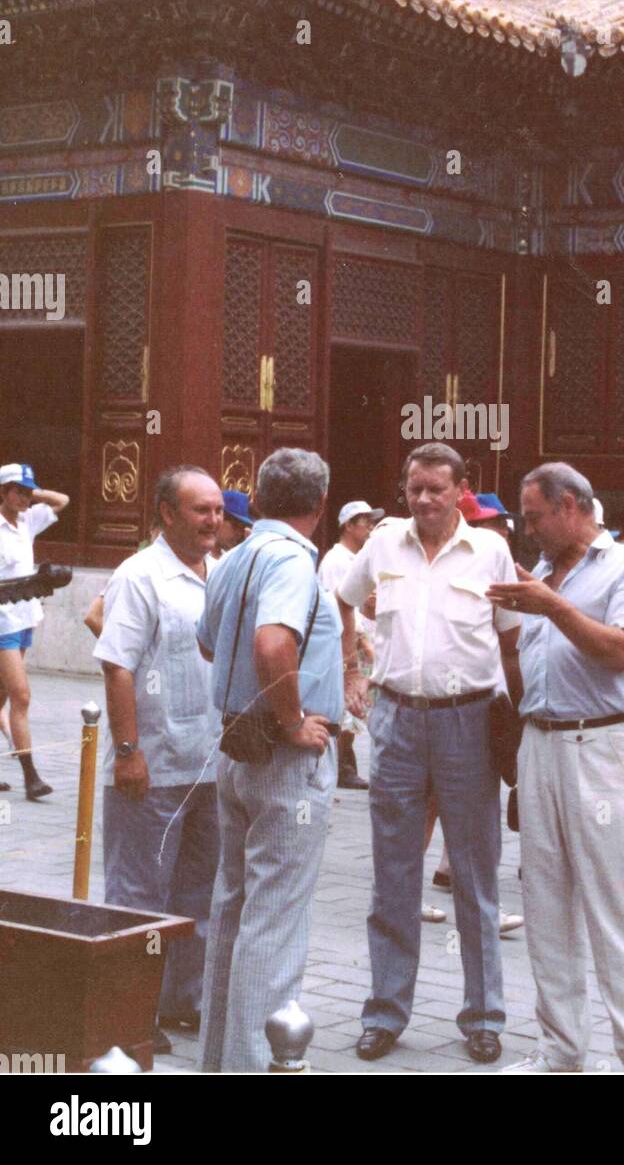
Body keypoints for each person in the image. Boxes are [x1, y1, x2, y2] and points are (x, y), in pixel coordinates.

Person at [337, 443, 522, 1065]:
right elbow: (343, 594)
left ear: (461, 491)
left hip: (468, 721)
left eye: (437, 489)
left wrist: (516, 727)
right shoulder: (383, 543)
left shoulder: (491, 551)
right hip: (396, 720)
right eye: (415, 488)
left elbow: (513, 640)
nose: (424, 500)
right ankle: (385, 1012)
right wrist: (350, 673)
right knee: (393, 871)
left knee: (474, 872)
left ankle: (484, 1016)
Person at [490, 462, 624, 1074]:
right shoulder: (542, 572)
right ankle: (561, 1050)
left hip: (602, 745)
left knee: (619, 901)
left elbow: (622, 651)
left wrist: (552, 606)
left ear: (572, 505)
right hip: (539, 742)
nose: (529, 531)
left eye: (536, 517)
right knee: (544, 901)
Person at [197, 448, 350, 1073]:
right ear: (320, 506)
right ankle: (257, 1064)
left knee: (232, 905)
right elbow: (273, 642)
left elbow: (210, 643)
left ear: (254, 502)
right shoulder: (291, 559)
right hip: (283, 757)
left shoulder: (233, 559)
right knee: (274, 917)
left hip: (237, 745)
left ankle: (221, 1060)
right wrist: (291, 720)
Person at [94, 466, 223, 1052]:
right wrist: (127, 752)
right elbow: (117, 663)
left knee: (196, 894)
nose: (213, 521)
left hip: (210, 768)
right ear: (168, 514)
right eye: (201, 510)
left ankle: (180, 1002)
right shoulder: (139, 575)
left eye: (218, 510)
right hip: (151, 767)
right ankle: (127, 1012)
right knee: (137, 896)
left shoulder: (220, 573)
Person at [421, 489, 524, 936]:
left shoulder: (495, 562)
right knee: (468, 808)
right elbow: (510, 643)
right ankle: (480, 906)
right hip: (464, 708)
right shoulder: (458, 569)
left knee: (443, 803)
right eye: (489, 522)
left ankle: (446, 876)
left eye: (501, 522)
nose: (500, 530)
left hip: (476, 704)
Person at [0, 462, 69, 799]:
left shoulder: (27, 520)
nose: (25, 498)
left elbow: (63, 500)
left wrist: (31, 490)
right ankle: (31, 777)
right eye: (18, 491)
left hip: (24, 616)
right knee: (21, 696)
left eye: (28, 492)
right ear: (3, 492)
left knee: (1, 695)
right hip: (1, 622)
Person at [318, 500, 384, 790]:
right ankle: (342, 763)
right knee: (350, 703)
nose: (370, 527)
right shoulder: (336, 560)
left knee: (358, 707)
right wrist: (360, 640)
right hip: (348, 642)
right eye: (365, 521)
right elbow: (339, 604)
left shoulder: (356, 558)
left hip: (361, 638)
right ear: (348, 525)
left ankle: (346, 760)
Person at [211, 490, 254, 560]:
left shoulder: (233, 559)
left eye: (242, 528)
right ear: (219, 519)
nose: (239, 533)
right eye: (236, 526)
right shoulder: (195, 557)